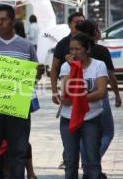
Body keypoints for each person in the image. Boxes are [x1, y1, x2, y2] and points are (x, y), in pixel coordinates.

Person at [0, 4, 38, 179]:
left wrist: (37, 74)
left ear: (12, 21)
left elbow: (33, 77)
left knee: (18, 153)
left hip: (18, 110)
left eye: (3, 20)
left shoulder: (27, 46)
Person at [74, 20, 122, 179]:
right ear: (94, 32)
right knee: (108, 132)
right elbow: (111, 76)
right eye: (98, 29)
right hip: (99, 100)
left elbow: (56, 69)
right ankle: (91, 164)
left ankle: (89, 166)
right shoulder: (100, 50)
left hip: (77, 100)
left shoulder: (69, 48)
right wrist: (116, 94)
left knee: (83, 135)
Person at [59, 32, 108, 179]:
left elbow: (101, 92)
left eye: (78, 49)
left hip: (91, 118)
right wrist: (72, 67)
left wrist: (78, 100)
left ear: (87, 50)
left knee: (92, 161)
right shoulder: (66, 67)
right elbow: (66, 96)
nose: (74, 53)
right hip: (69, 118)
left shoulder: (99, 65)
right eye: (71, 49)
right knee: (70, 162)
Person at [50, 12, 85, 169]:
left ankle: (85, 160)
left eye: (82, 22)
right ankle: (69, 158)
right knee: (69, 129)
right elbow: (54, 68)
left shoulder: (89, 42)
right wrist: (54, 91)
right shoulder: (63, 44)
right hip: (69, 94)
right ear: (69, 24)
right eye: (76, 22)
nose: (79, 25)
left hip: (88, 96)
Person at [14, 19, 38, 179]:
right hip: (1, 101)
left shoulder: (25, 46)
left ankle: (29, 172)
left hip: (21, 100)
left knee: (22, 139)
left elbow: (35, 72)